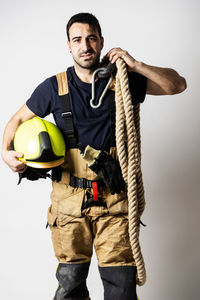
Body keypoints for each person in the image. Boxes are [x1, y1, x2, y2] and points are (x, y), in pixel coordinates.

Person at [1, 12, 186, 300]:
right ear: (69, 45)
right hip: (68, 204)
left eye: (91, 38)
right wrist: (6, 154)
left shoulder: (122, 80)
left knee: (121, 287)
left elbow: (177, 84)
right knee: (70, 285)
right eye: (78, 40)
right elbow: (14, 122)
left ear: (101, 42)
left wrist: (135, 64)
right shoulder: (54, 87)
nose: (85, 45)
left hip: (115, 201)